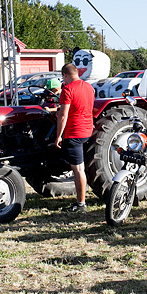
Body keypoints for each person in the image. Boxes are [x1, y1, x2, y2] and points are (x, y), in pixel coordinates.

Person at [54, 62, 95, 212]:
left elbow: (63, 115)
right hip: (87, 130)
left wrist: (58, 136)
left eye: (62, 78)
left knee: (78, 169)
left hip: (74, 132)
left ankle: (81, 204)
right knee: (80, 167)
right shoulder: (89, 87)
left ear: (65, 75)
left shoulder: (68, 90)